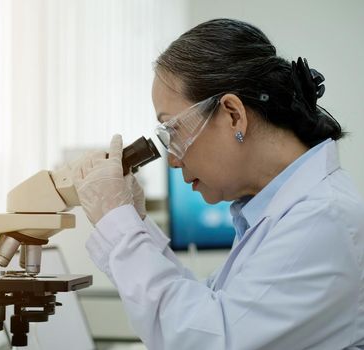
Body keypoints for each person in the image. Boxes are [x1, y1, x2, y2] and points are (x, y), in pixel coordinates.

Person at [72, 19, 364, 349]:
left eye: (174, 130)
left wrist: (118, 223)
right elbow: (206, 309)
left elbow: (206, 340)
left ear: (233, 115)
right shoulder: (286, 212)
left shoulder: (322, 218)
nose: (173, 159)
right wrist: (135, 222)